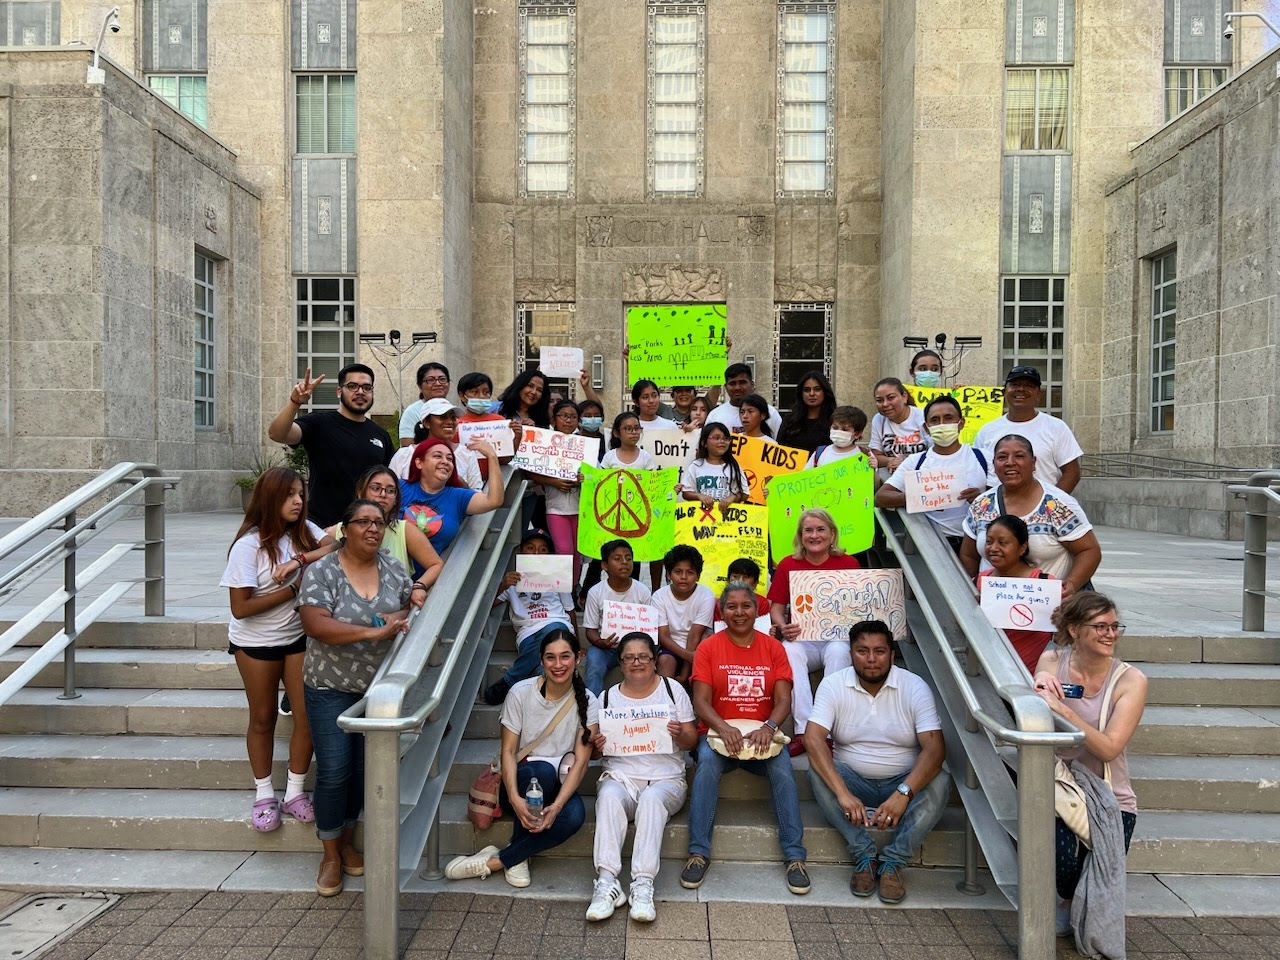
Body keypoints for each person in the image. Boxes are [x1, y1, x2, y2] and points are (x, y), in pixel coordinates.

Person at [298, 498, 413, 896]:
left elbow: (406, 613)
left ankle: (347, 842)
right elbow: (315, 624)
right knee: (334, 770)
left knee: (364, 773)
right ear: (344, 529)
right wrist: (371, 632)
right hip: (329, 687)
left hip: (378, 693)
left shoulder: (395, 570)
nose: (372, 529)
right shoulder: (322, 571)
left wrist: (406, 612)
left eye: (379, 523)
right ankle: (330, 854)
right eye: (362, 521)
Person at [804, 620, 950, 904]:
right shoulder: (834, 684)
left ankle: (892, 862)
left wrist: (903, 793)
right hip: (854, 780)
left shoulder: (914, 686)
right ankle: (865, 856)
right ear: (850, 653)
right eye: (862, 650)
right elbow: (812, 739)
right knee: (818, 770)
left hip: (903, 780)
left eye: (879, 651)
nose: (871, 659)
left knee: (941, 779)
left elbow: (934, 749)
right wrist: (843, 794)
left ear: (892, 655)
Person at [221, 467, 332, 832]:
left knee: (307, 718)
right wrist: (293, 591)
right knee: (263, 717)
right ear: (270, 498)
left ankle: (296, 792)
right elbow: (241, 607)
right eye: (289, 495)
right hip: (255, 644)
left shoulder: (306, 533)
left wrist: (299, 561)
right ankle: (264, 793)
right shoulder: (248, 545)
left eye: (301, 494)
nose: (298, 501)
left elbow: (336, 544)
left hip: (297, 638)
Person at [682, 582, 809, 895]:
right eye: (731, 606)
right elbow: (700, 702)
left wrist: (769, 727)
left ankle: (795, 856)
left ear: (757, 610)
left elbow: (783, 700)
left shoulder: (773, 647)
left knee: (782, 767)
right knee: (708, 763)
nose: (739, 612)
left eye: (746, 606)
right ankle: (698, 852)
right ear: (722, 612)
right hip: (717, 734)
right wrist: (724, 727)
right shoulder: (709, 648)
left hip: (761, 736)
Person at [1032, 592, 1147, 937]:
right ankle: (1071, 902)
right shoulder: (1054, 659)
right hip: (1061, 787)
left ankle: (1078, 910)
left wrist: (1064, 710)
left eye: (1114, 626)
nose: (1110, 634)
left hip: (1111, 795)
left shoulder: (1131, 681)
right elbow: (1041, 679)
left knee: (1096, 869)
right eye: (1100, 627)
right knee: (1064, 863)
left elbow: (1109, 748)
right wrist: (1039, 685)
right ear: (1074, 630)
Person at [445, 628, 597, 888]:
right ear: (541, 660)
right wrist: (515, 799)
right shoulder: (520, 692)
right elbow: (507, 750)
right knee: (542, 773)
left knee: (574, 816)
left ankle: (499, 860)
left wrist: (557, 807)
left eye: (565, 657)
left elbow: (581, 763)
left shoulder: (588, 701)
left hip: (558, 785)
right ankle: (517, 857)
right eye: (550, 657)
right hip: (518, 781)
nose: (558, 665)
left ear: (578, 658)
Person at [586, 633, 698, 922]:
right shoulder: (607, 697)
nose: (637, 662)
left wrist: (680, 733)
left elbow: (691, 741)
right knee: (608, 796)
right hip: (622, 777)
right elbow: (597, 753)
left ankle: (642, 884)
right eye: (629, 657)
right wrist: (596, 748)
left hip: (666, 780)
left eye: (643, 656)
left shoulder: (673, 691)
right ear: (621, 663)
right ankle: (607, 882)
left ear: (655, 660)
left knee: (651, 800)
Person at [767, 508, 861, 753]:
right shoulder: (788, 564)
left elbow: (861, 607)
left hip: (836, 638)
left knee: (839, 651)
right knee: (790, 651)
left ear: (832, 534)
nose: (814, 535)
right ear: (800, 535)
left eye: (820, 529)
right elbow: (776, 607)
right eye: (808, 530)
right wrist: (782, 625)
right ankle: (802, 731)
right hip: (803, 639)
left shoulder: (849, 563)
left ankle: (826, 730)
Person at [960, 435, 1101, 598]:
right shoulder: (981, 505)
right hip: (993, 609)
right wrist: (971, 590)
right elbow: (969, 555)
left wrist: (1071, 585)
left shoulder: (1058, 505)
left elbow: (1089, 550)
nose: (1010, 462)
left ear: (1033, 463)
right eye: (1002, 457)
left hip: (1049, 611)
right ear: (994, 464)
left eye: (1019, 456)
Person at [267, 364, 393, 528]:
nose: (360, 392)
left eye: (366, 387)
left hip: (365, 529)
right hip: (321, 528)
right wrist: (294, 403)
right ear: (339, 392)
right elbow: (277, 434)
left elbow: (390, 482)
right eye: (352, 386)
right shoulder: (320, 423)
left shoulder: (381, 435)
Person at [875, 395, 998, 549]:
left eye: (948, 418)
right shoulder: (915, 461)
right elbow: (881, 497)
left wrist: (981, 499)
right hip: (932, 548)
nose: (942, 424)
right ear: (926, 428)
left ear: (961, 423)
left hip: (977, 544)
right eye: (935, 420)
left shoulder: (984, 458)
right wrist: (916, 497)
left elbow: (1004, 497)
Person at [316, 466, 444, 598]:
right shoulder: (335, 532)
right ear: (361, 492)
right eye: (376, 488)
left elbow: (436, 564)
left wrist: (420, 586)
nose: (383, 495)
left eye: (390, 491)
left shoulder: (406, 531)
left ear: (395, 499)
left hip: (395, 612)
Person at [483, 529, 577, 705]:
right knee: (540, 669)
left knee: (554, 629)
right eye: (530, 548)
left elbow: (570, 610)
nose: (536, 553)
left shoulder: (557, 577)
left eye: (542, 550)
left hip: (557, 626)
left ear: (549, 555)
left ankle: (508, 681)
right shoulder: (513, 579)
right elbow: (486, 605)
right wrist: (503, 585)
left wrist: (577, 643)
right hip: (528, 635)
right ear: (521, 552)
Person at [974, 366, 1083, 493]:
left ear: (1039, 394)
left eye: (1029, 386)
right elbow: (979, 471)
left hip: (1043, 510)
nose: (1021, 389)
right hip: (998, 510)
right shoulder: (987, 431)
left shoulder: (1056, 427)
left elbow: (1072, 472)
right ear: (1004, 392)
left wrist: (1051, 504)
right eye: (1015, 385)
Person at [399, 436, 504, 558]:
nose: (445, 461)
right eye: (437, 456)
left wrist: (492, 456)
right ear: (419, 463)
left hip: (433, 574)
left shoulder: (458, 497)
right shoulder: (399, 487)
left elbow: (494, 501)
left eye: (450, 459)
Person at [978, 514, 1057, 673]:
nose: (993, 548)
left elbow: (1065, 630)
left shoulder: (1046, 584)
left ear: (1022, 548)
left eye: (1002, 543)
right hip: (988, 674)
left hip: (1031, 676)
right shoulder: (978, 582)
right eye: (989, 541)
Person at [582, 540, 663, 694]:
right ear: (605, 565)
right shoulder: (595, 592)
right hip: (606, 647)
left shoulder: (642, 591)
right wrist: (601, 642)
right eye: (617, 559)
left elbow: (650, 629)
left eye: (628, 558)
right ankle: (592, 709)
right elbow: (590, 630)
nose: (624, 562)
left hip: (636, 647)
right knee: (594, 664)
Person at [389, 397, 483, 491]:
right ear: (426, 423)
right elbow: (391, 489)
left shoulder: (467, 454)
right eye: (442, 417)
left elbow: (477, 493)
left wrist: (457, 481)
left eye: (453, 417)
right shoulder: (404, 455)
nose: (450, 422)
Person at [652, 545, 716, 683]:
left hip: (698, 646)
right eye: (678, 572)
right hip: (671, 645)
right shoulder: (659, 596)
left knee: (703, 665)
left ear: (698, 576)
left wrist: (685, 673)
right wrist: (689, 656)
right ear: (668, 574)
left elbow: (695, 635)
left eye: (690, 572)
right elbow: (663, 636)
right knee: (665, 662)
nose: (684, 577)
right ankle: (668, 701)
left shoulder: (706, 595)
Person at [679, 423, 749, 516]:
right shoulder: (696, 466)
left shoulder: (734, 466)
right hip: (701, 518)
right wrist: (699, 496)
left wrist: (732, 498)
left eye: (726, 438)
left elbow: (745, 493)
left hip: (727, 520)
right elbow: (686, 493)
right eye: (716, 438)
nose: (722, 441)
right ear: (704, 443)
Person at [869, 377, 928, 473]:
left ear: (904, 397)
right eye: (879, 400)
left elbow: (936, 453)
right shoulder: (878, 419)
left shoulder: (923, 416)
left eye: (891, 398)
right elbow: (875, 456)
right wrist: (891, 461)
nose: (885, 404)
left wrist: (906, 462)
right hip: (891, 474)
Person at [706, 363, 782, 436]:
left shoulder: (770, 413)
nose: (737, 387)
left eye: (742, 382)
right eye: (732, 383)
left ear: (752, 385)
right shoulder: (715, 416)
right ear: (725, 387)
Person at [778, 371, 837, 452]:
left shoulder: (835, 421)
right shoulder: (790, 420)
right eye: (807, 390)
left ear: (825, 392)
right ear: (801, 394)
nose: (812, 394)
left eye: (817, 389)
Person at [398, 362, 452, 447]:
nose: (438, 384)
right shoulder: (412, 412)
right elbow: (407, 446)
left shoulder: (453, 409)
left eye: (442, 379)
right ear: (420, 386)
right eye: (431, 380)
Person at [806, 405, 873, 468]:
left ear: (857, 434)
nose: (838, 432)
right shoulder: (820, 453)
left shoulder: (866, 455)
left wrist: (873, 468)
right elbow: (805, 476)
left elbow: (875, 480)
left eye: (845, 430)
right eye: (835, 428)